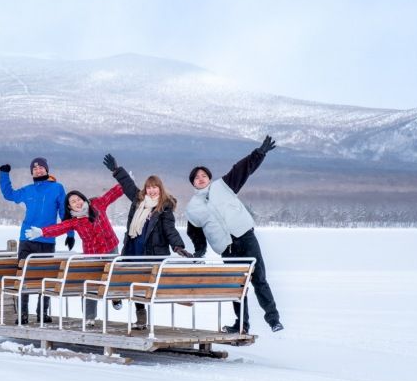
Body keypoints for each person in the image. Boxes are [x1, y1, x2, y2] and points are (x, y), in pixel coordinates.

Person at [184, 136, 284, 334]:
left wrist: (259, 153)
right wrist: (199, 252)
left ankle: (273, 320)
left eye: (204, 175)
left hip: (246, 238)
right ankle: (241, 325)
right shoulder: (192, 208)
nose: (201, 178)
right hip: (228, 249)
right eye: (197, 177)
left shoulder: (224, 186)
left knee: (259, 279)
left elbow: (244, 168)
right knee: (237, 287)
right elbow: (196, 234)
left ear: (209, 178)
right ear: (193, 183)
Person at [103, 153, 193, 329]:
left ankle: (178, 297)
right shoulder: (139, 201)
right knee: (132, 281)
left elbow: (170, 230)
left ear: (160, 189)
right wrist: (116, 170)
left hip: (152, 252)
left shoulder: (164, 208)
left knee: (145, 283)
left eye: (155, 187)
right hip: (133, 249)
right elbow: (128, 186)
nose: (151, 190)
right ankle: (140, 317)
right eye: (149, 187)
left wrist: (178, 246)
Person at [24, 182, 123, 328]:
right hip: (92, 254)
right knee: (90, 284)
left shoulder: (97, 204)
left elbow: (112, 194)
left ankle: (115, 297)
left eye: (78, 199)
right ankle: (89, 317)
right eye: (73, 202)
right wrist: (42, 232)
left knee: (114, 275)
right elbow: (59, 228)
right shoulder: (74, 221)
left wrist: (123, 182)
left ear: (83, 199)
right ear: (69, 207)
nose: (77, 203)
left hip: (110, 248)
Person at [0, 157, 73, 324]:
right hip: (26, 239)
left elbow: (64, 213)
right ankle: (23, 314)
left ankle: (42, 313)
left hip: (47, 241)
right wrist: (4, 174)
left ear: (47, 170)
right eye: (35, 168)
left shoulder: (57, 188)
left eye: (41, 168)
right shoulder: (28, 190)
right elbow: (9, 194)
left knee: (45, 278)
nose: (38, 170)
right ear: (32, 172)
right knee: (24, 276)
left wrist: (70, 234)